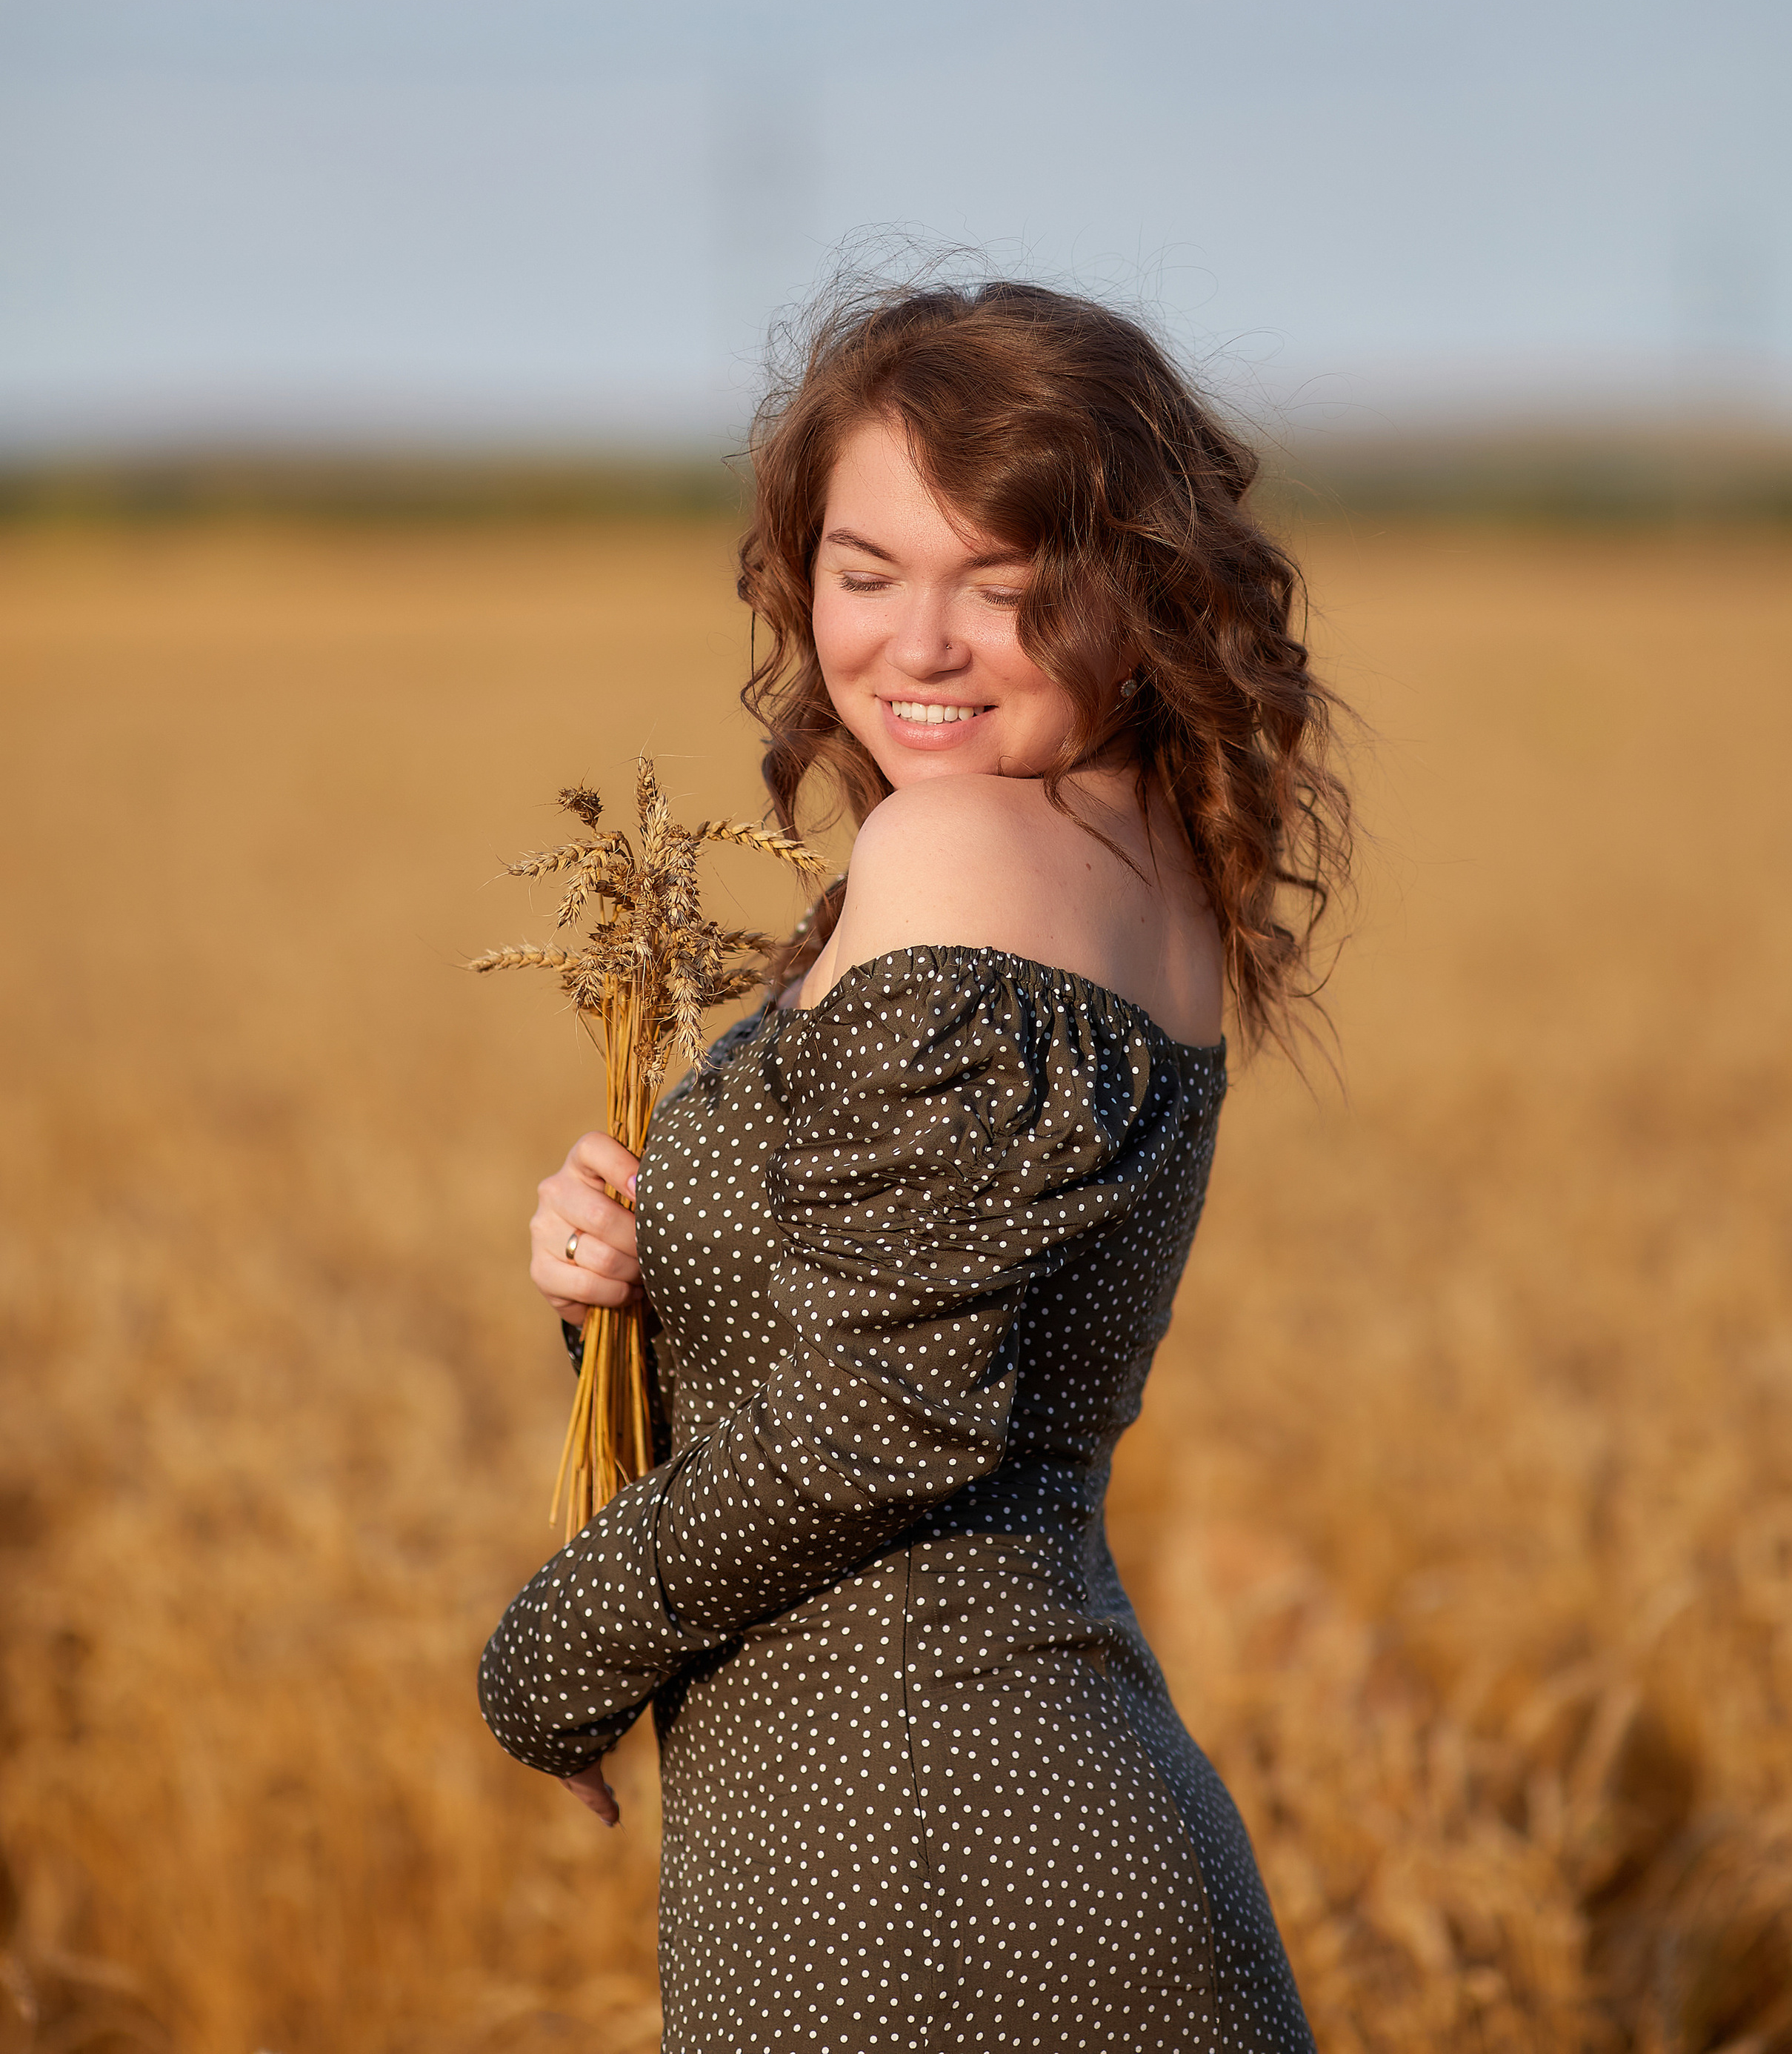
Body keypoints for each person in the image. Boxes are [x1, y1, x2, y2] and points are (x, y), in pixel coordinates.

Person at [479, 276, 1347, 2053]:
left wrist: (548, 1663)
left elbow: (887, 1413)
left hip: (924, 1865)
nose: (919, 645)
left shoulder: (958, 849)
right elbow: (872, 1359)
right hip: (981, 1823)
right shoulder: (1129, 846)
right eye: (865, 574)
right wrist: (628, 1294)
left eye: (1006, 587)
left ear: (1134, 593)